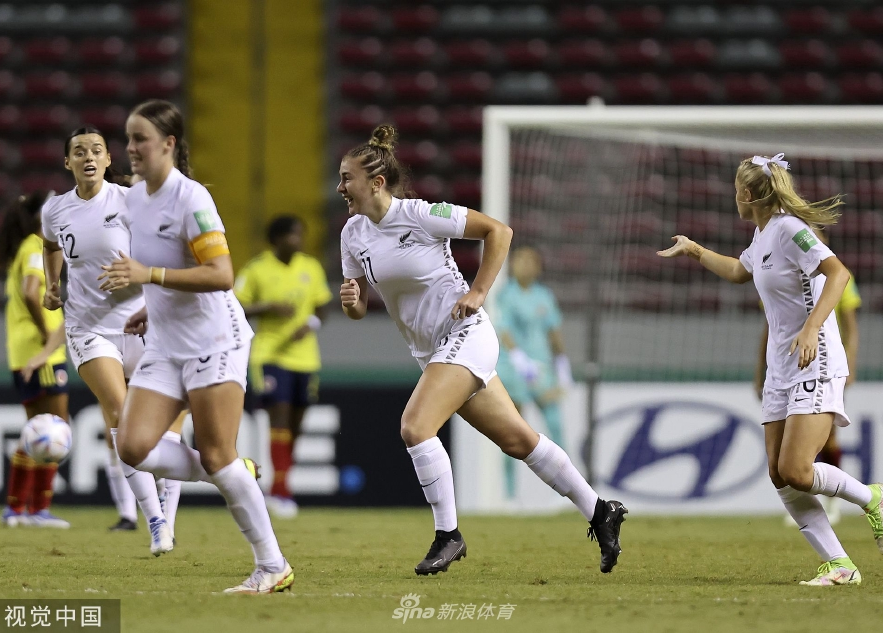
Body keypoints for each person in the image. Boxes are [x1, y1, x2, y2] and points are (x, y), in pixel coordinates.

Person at [338, 124, 627, 576]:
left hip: (466, 334)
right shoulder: (353, 233)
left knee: (415, 426)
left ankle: (448, 535)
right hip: (432, 352)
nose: (340, 188)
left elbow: (499, 231)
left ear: (376, 182)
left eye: (346, 178)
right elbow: (358, 305)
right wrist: (353, 303)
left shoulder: (421, 214)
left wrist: (478, 291)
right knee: (519, 441)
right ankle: (600, 511)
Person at [657, 152, 883, 586]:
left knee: (797, 470)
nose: (734, 197)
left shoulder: (789, 230)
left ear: (748, 194)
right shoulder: (763, 233)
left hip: (814, 359)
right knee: (778, 472)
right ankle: (839, 564)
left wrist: (811, 328)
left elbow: (839, 274)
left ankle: (871, 497)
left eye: (736, 190)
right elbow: (739, 270)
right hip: (781, 367)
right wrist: (694, 250)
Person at [99, 99, 293, 593]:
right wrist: (153, 305)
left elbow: (221, 274)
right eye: (128, 138)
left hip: (215, 339)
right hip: (166, 342)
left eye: (140, 139)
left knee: (214, 452)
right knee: (132, 445)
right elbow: (166, 266)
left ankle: (272, 565)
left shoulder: (191, 200)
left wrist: (149, 276)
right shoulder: (135, 199)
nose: (131, 148)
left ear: (168, 144)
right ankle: (229, 470)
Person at [39, 125, 182, 551]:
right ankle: (154, 521)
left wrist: (140, 274)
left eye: (96, 150)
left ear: (107, 160)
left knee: (170, 426)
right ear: (67, 161)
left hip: (143, 323)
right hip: (88, 327)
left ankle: (170, 518)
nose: (88, 157)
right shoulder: (55, 210)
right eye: (79, 151)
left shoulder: (131, 201)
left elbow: (168, 249)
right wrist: (52, 285)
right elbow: (50, 245)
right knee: (121, 415)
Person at [754, 229, 862, 526]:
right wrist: (760, 371)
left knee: (827, 438)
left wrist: (850, 364)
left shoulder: (835, 274)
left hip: (822, 364)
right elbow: (771, 328)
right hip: (785, 367)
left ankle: (833, 503)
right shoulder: (780, 271)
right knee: (790, 446)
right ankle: (808, 504)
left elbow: (851, 328)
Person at [235, 216, 332, 519]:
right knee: (279, 417)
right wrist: (267, 307)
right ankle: (280, 491)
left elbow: (323, 307)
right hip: (269, 355)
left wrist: (311, 324)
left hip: (306, 357)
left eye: (300, 235)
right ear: (276, 239)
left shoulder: (310, 267)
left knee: (295, 426)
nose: (298, 241)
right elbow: (235, 307)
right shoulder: (256, 269)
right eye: (292, 235)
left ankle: (280, 485)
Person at [0, 191, 70, 529]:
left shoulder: (23, 248)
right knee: (54, 429)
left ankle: (16, 509)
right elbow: (31, 291)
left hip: (23, 351)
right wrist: (45, 333)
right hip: (41, 353)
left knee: (36, 430)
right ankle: (37, 508)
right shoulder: (34, 248)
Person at [494, 246, 573, 499]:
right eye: (519, 260)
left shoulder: (544, 296)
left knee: (555, 425)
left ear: (538, 267)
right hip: (513, 370)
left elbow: (554, 331)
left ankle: (567, 488)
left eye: (529, 261)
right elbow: (504, 328)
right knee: (512, 432)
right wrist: (519, 359)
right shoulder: (506, 294)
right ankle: (509, 496)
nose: (524, 265)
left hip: (542, 369)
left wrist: (562, 365)